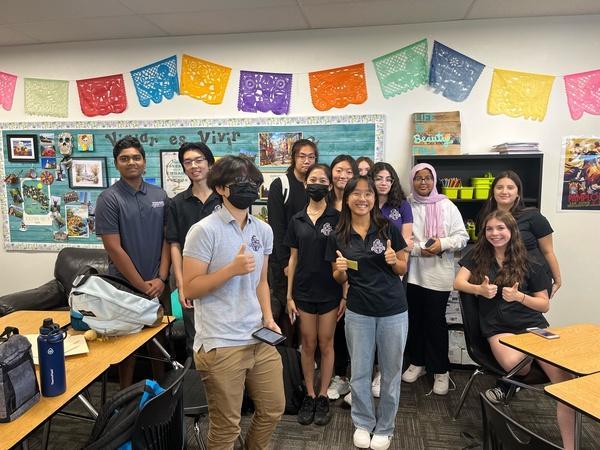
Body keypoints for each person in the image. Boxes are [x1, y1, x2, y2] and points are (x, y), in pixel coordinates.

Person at [183, 155, 284, 450]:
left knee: (273, 409)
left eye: (252, 181)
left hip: (258, 337)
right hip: (221, 342)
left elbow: (261, 282)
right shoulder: (204, 230)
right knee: (226, 427)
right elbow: (190, 288)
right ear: (221, 188)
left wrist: (268, 318)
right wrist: (231, 270)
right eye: (240, 181)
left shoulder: (263, 230)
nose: (248, 186)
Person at [454, 210, 575, 450]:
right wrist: (479, 290)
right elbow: (458, 282)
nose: (495, 233)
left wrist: (520, 297)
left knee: (567, 384)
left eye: (501, 228)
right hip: (498, 328)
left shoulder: (530, 261)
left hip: (533, 326)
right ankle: (537, 357)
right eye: (489, 229)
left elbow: (544, 305)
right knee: (518, 365)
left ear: (512, 231)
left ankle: (570, 446)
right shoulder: (478, 256)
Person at [326, 176, 409, 450]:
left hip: (393, 310)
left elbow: (403, 267)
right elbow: (338, 277)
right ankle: (362, 423)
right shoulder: (338, 235)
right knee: (360, 371)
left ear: (374, 198)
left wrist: (394, 261)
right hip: (359, 310)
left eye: (368, 194)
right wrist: (340, 271)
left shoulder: (387, 228)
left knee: (391, 373)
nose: (363, 199)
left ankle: (385, 427)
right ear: (347, 198)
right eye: (357, 193)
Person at [95, 136, 171, 388]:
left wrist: (161, 278)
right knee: (127, 345)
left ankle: (162, 391)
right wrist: (140, 285)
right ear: (116, 163)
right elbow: (113, 248)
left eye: (136, 157)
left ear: (144, 161)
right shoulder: (109, 198)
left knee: (159, 340)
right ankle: (123, 397)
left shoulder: (160, 195)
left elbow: (167, 238)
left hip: (158, 283)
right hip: (125, 285)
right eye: (124, 158)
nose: (131, 162)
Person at [284, 164, 344, 426]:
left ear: (329, 186)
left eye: (322, 180)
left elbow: (343, 259)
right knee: (308, 344)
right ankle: (309, 394)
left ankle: (323, 395)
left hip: (330, 290)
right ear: (305, 184)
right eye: (312, 179)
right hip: (303, 291)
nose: (317, 184)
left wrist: (345, 295)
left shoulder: (338, 218)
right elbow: (293, 259)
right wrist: (289, 296)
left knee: (326, 343)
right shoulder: (297, 219)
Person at [402, 163, 468, 396]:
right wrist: (420, 249)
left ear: (434, 180)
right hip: (412, 275)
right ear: (412, 180)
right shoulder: (406, 205)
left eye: (427, 178)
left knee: (435, 322)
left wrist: (442, 244)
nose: (423, 182)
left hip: (439, 276)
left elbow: (462, 237)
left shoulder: (447, 205)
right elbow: (403, 240)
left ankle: (440, 370)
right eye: (418, 178)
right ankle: (417, 362)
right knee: (414, 321)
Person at [166, 142, 220, 360]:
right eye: (187, 162)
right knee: (195, 342)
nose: (194, 166)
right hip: (191, 281)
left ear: (210, 163)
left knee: (223, 340)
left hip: (221, 279)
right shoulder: (177, 203)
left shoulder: (225, 198)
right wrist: (181, 286)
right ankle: (197, 381)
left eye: (198, 160)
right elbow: (174, 245)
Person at [479, 171, 561, 298]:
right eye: (499, 187)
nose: (504, 191)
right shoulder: (486, 217)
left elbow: (548, 251)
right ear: (493, 192)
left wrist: (557, 279)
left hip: (532, 279)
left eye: (510, 187)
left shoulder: (533, 216)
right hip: (501, 278)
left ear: (518, 193)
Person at [369, 161, 413, 397]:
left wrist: (399, 269)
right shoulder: (365, 202)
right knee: (367, 326)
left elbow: (405, 243)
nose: (383, 183)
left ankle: (382, 374)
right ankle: (366, 374)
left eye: (388, 179)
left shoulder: (402, 206)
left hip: (394, 272)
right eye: (379, 178)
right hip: (368, 273)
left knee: (389, 327)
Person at [267, 139, 318, 325]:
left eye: (311, 157)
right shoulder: (281, 184)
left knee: (307, 313)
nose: (307, 161)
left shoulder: (318, 185)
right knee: (287, 312)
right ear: (293, 158)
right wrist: (285, 263)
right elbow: (276, 228)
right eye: (302, 156)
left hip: (311, 262)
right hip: (286, 260)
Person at [326, 154, 358, 402]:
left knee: (353, 329)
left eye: (348, 171)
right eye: (338, 170)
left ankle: (357, 379)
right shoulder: (322, 201)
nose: (343, 176)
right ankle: (339, 375)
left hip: (352, 278)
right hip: (326, 275)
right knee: (335, 330)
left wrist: (346, 292)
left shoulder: (356, 203)